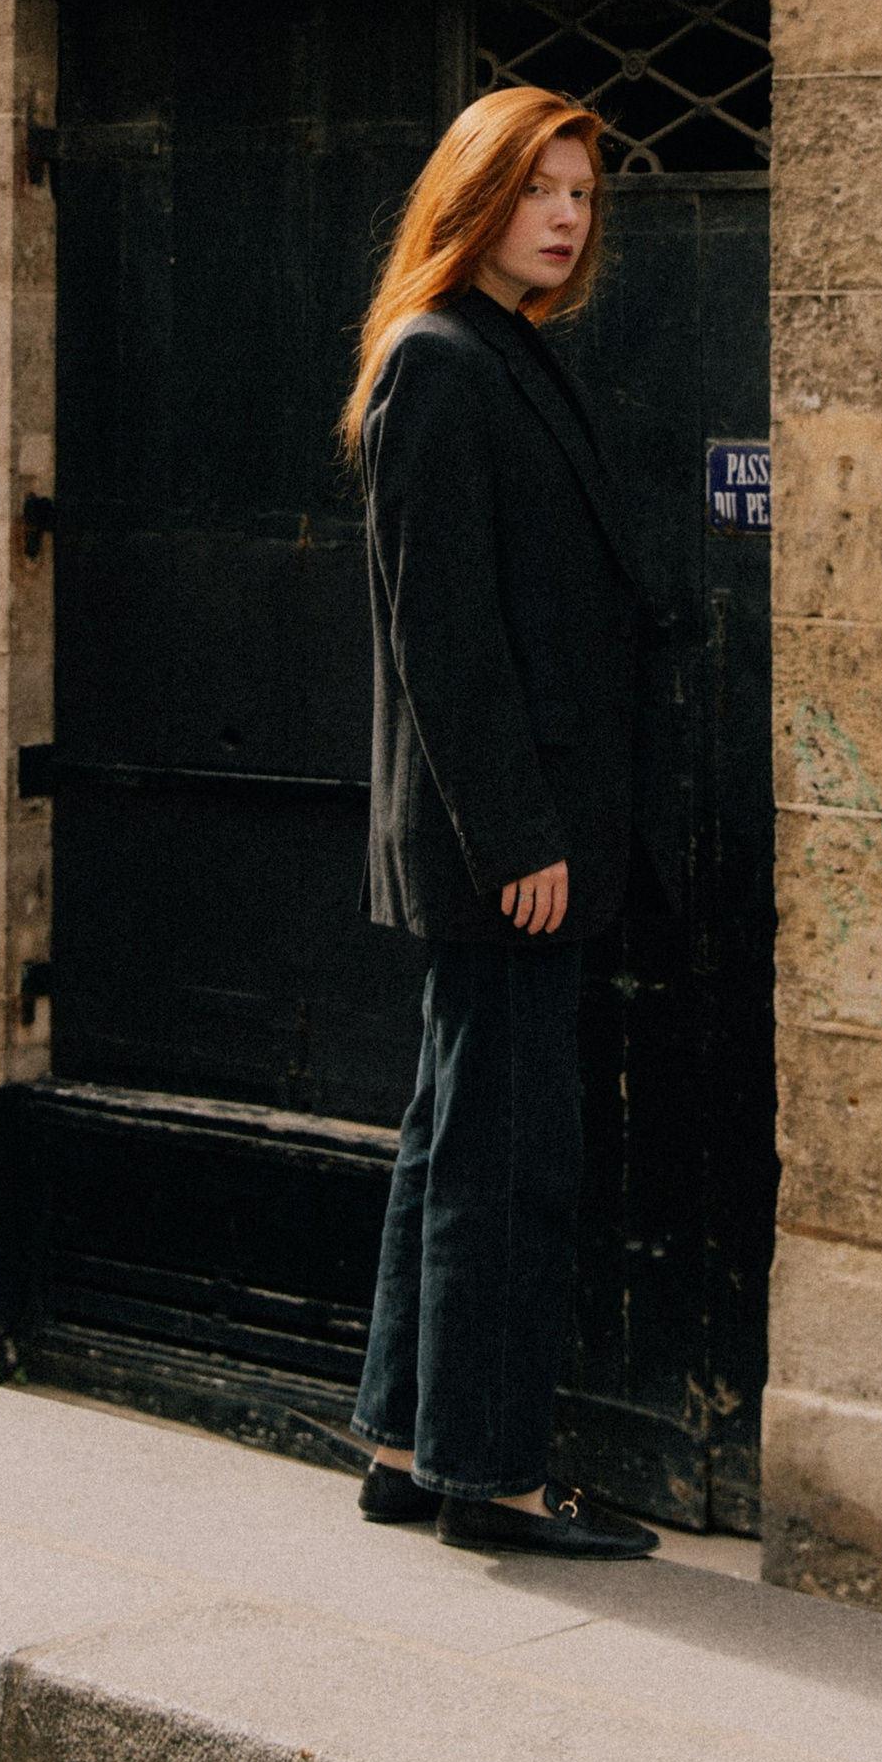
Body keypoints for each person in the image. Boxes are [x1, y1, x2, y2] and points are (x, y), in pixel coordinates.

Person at [339, 82, 664, 1561]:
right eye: (539, 186)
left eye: (581, 193)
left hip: (524, 831)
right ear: (474, 197)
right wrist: (522, 835)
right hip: (511, 844)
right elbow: (445, 631)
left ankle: (409, 1444)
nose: (565, 215)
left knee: (453, 1133)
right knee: (510, 1156)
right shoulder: (438, 359)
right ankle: (497, 1477)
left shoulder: (501, 349)